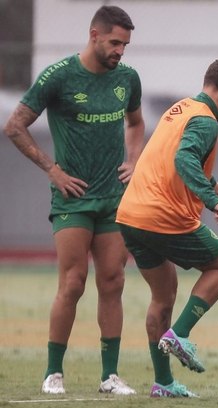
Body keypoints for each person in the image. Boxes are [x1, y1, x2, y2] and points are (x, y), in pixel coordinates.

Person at [2, 5, 144, 395]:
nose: (121, 51)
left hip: (114, 199)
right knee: (73, 282)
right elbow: (14, 126)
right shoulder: (59, 76)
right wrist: (52, 170)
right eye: (115, 42)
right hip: (74, 200)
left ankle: (109, 377)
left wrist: (133, 160)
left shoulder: (127, 78)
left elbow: (135, 122)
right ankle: (53, 373)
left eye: (126, 45)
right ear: (94, 35)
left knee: (113, 280)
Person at [115, 57, 218, 398]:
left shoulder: (181, 108)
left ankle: (163, 383)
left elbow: (170, 154)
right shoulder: (206, 121)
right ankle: (180, 334)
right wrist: (213, 200)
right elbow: (184, 159)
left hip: (131, 215)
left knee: (163, 295)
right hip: (163, 216)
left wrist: (210, 180)